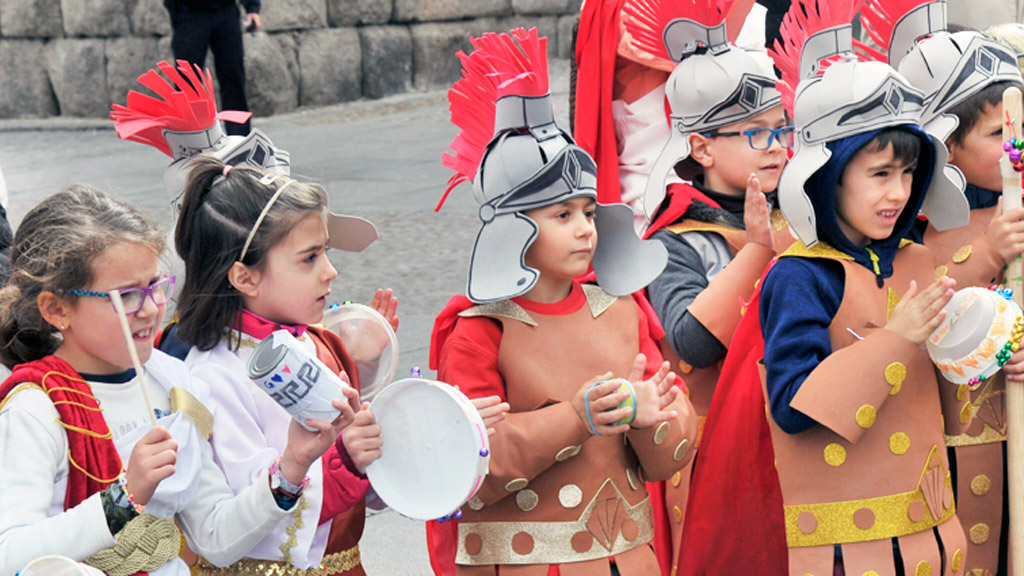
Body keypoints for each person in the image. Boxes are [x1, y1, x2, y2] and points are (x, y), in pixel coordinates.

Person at [679, 0, 975, 573]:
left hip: (937, 543)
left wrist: (992, 356)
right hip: (845, 554)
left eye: (908, 173)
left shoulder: (915, 260)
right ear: (828, 177)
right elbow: (791, 406)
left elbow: (940, 393)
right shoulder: (799, 275)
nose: (898, 192)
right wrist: (895, 339)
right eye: (879, 173)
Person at [428, 27, 698, 576]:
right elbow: (472, 466)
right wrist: (576, 418)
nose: (585, 231)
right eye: (562, 215)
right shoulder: (479, 331)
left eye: (589, 212)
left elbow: (672, 455)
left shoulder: (621, 308)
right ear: (510, 228)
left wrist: (649, 418)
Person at [169, 157, 511, 575]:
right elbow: (241, 527)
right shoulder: (213, 375)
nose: (331, 272)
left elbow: (366, 473)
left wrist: (440, 426)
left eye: (325, 252)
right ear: (245, 277)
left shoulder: (316, 343)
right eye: (309, 258)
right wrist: (343, 460)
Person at [0, 185, 357, 575]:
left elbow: (216, 538)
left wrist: (293, 463)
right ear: (57, 308)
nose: (151, 309)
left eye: (156, 287)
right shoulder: (36, 409)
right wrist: (122, 499)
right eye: (127, 296)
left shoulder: (171, 384)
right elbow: (10, 553)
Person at [612, 1, 793, 572]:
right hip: (718, 457)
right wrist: (759, 251)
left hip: (791, 441)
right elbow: (691, 341)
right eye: (755, 133)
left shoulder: (802, 215)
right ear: (703, 147)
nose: (774, 144)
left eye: (780, 129)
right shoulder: (672, 242)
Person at [861, 3, 1024, 573]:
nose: (1018, 144)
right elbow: (923, 311)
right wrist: (990, 255)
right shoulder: (907, 229)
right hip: (953, 436)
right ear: (946, 147)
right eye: (1001, 132)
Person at [164, 0, 258, 137]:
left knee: (233, 76)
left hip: (226, 10)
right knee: (187, 80)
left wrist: (252, 8)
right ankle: (188, 137)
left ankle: (240, 138)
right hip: (189, 13)